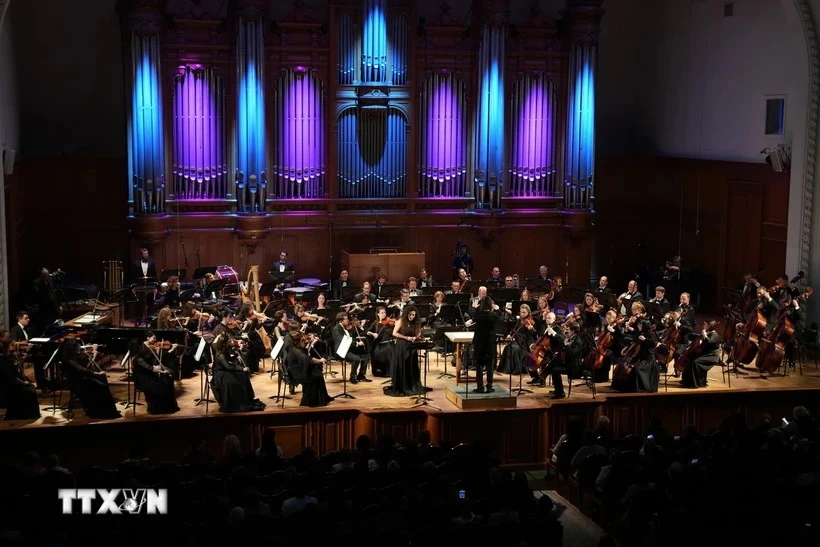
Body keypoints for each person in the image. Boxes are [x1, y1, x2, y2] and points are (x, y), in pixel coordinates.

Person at [59, 339, 120, 419]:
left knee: (102, 378)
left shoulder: (73, 357)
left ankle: (104, 409)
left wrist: (92, 356)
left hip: (82, 379)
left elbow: (87, 367)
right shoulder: (69, 360)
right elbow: (82, 370)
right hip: (78, 383)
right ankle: (101, 411)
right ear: (73, 349)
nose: (79, 350)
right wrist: (96, 373)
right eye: (77, 348)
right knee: (103, 387)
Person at [611, 302, 659, 393]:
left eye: (633, 309)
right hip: (637, 354)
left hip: (647, 357)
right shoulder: (636, 321)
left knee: (636, 370)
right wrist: (628, 328)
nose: (632, 311)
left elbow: (653, 343)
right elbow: (634, 335)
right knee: (621, 364)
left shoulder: (648, 327)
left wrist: (644, 339)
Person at [211, 335, 265, 412]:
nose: (231, 342)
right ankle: (239, 402)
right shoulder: (220, 355)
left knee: (243, 376)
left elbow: (230, 359)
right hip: (221, 375)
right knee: (239, 379)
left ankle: (246, 399)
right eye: (229, 341)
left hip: (225, 371)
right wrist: (242, 369)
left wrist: (238, 351)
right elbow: (229, 367)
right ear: (224, 343)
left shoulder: (224, 350)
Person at [129, 332, 180, 415]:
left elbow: (151, 366)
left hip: (148, 375)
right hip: (143, 380)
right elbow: (150, 368)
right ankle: (156, 408)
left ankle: (166, 407)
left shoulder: (140, 355)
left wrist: (161, 370)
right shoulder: (138, 358)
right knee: (163, 384)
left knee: (168, 379)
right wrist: (162, 371)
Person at [385, 305, 427, 396]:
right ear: (406, 314)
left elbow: (418, 332)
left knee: (411, 365)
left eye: (413, 315)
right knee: (403, 364)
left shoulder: (416, 322)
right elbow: (394, 333)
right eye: (410, 315)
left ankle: (411, 384)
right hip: (402, 346)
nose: (411, 317)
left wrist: (415, 337)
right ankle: (403, 385)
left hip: (411, 345)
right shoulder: (401, 321)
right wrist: (406, 337)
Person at [0, 328, 40, 420]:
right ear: (1, 338)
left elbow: (12, 366)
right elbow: (10, 375)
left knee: (29, 385)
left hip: (10, 378)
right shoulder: (2, 355)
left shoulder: (5, 350)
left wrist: (21, 356)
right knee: (29, 389)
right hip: (7, 383)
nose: (9, 339)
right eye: (7, 337)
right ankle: (26, 414)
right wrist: (23, 382)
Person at [287, 331, 332, 407]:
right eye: (303, 340)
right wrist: (320, 360)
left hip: (300, 368)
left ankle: (321, 398)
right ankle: (313, 401)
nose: (305, 341)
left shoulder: (295, 347)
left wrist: (311, 344)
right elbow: (308, 359)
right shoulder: (296, 351)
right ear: (298, 341)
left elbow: (305, 353)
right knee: (316, 376)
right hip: (297, 373)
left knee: (318, 373)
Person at [466, 293, 499, 393]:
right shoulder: (494, 315)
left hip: (479, 344)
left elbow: (473, 315)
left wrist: (474, 308)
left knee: (479, 366)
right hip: (490, 344)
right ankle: (489, 386)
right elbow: (501, 318)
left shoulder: (478, 315)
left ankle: (480, 387)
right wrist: (497, 309)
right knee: (489, 367)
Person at [498, 304, 538, 375]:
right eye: (521, 312)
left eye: (524, 312)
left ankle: (517, 369)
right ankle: (506, 369)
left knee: (515, 350)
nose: (522, 314)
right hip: (519, 341)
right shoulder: (520, 320)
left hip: (527, 343)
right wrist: (510, 334)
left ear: (528, 312)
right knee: (508, 347)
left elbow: (535, 333)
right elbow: (514, 329)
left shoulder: (531, 320)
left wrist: (531, 329)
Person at [548, 322, 584, 399]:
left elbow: (573, 354)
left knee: (555, 370)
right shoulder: (571, 338)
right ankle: (557, 389)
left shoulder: (578, 342)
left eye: (568, 330)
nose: (566, 331)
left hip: (575, 367)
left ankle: (560, 392)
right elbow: (563, 341)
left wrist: (566, 345)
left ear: (573, 331)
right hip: (568, 363)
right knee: (552, 365)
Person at [680, 320, 721, 388]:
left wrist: (704, 335)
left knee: (695, 362)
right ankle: (688, 381)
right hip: (706, 354)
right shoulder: (709, 333)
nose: (703, 326)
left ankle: (696, 383)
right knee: (691, 360)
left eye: (705, 324)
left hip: (712, 356)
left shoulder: (714, 334)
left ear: (709, 326)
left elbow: (709, 343)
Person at [332, 313, 369, 384]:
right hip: (342, 350)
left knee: (365, 355)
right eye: (346, 319)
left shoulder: (344, 327)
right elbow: (344, 341)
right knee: (356, 359)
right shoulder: (337, 329)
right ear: (341, 321)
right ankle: (353, 376)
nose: (348, 320)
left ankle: (361, 375)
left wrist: (357, 341)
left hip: (348, 348)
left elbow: (351, 338)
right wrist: (357, 343)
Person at [367, 306, 395, 376]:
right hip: (378, 344)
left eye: (384, 312)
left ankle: (389, 372)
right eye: (382, 313)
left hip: (387, 343)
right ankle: (380, 371)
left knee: (390, 350)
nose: (384, 314)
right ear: (378, 314)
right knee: (379, 352)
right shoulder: (375, 322)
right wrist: (373, 334)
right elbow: (367, 332)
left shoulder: (389, 322)